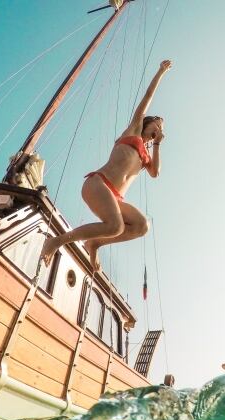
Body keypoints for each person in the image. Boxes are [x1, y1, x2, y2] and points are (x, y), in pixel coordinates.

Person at [41, 60, 172, 269]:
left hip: (115, 197)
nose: (160, 127)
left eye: (162, 127)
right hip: (98, 184)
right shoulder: (134, 130)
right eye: (158, 123)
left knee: (141, 226)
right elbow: (147, 97)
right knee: (116, 226)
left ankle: (95, 242)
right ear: (148, 123)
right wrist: (161, 71)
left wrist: (157, 144)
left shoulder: (147, 157)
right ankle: (57, 241)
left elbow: (156, 173)